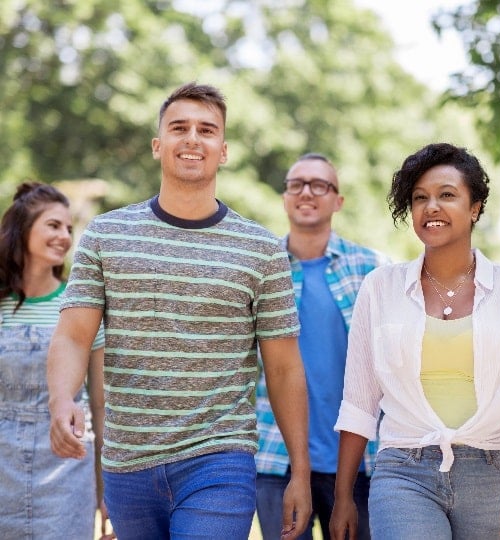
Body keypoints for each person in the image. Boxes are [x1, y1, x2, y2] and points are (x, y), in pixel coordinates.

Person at [47, 82, 312, 540]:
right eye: (179, 128)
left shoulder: (262, 250)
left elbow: (285, 367)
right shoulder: (106, 236)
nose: (193, 139)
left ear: (223, 150)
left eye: (206, 130)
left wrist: (300, 473)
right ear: (158, 145)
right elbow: (73, 335)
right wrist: (61, 398)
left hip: (220, 458)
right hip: (128, 462)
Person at [330, 143, 500, 539]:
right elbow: (359, 400)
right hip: (404, 470)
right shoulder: (380, 288)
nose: (432, 207)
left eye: (447, 195)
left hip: (495, 472)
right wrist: (344, 497)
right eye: (420, 198)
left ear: (475, 207)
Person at [255, 153, 391, 540]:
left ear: (338, 200)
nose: (306, 193)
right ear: (285, 197)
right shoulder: (262, 270)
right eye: (296, 184)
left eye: (320, 185)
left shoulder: (374, 270)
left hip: (358, 462)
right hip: (274, 458)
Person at [0, 182, 106, 540]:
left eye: (69, 229)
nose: (64, 236)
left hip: (67, 472)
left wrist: (107, 490)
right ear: (23, 230)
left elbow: (101, 404)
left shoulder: (82, 309)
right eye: (53, 225)